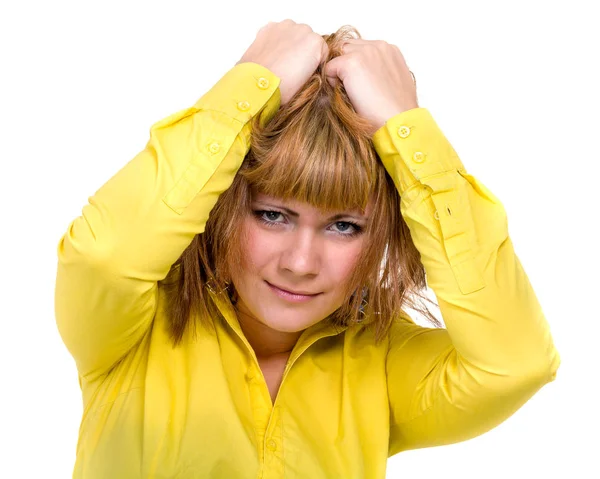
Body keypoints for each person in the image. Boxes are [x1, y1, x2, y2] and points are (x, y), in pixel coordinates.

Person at [54, 19, 561, 479]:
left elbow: (517, 364)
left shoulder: (381, 360)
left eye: (344, 226)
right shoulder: (129, 329)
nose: (300, 264)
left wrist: (405, 128)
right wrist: (251, 85)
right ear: (222, 205)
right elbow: (105, 256)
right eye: (272, 215)